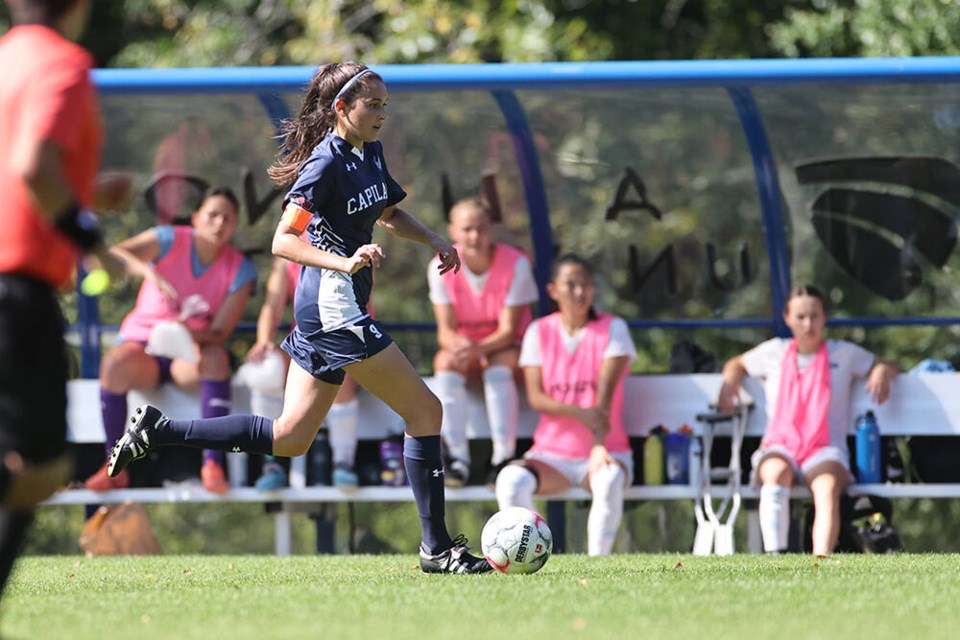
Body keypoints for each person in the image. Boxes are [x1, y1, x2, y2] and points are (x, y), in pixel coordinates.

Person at [106, 62, 492, 573]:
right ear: (341, 108)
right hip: (334, 306)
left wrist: (434, 238)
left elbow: (388, 212)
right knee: (426, 412)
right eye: (371, 105)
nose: (381, 114)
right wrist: (344, 260)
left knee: (290, 437)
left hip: (326, 307)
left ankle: (158, 430)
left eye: (384, 105)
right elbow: (282, 239)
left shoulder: (368, 151)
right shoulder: (325, 163)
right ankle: (436, 549)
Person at [0, 0, 126, 600]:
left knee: (26, 467)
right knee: (46, 467)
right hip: (15, 289)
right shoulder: (63, 64)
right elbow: (30, 166)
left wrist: (85, 193)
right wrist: (89, 239)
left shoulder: (6, 61)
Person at [83, 187, 257, 493]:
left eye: (228, 218)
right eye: (212, 215)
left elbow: (219, 333)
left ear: (235, 225)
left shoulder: (240, 269)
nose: (219, 223)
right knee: (114, 363)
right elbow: (112, 255)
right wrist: (148, 274)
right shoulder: (168, 238)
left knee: (217, 358)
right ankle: (113, 465)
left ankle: (212, 463)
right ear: (196, 218)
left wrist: (185, 333)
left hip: (187, 359)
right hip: (143, 352)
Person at [716, 284, 898, 556]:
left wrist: (882, 370)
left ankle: (820, 561)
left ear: (824, 317)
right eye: (800, 317)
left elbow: (884, 363)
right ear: (787, 318)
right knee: (775, 474)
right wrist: (730, 380)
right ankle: (776, 556)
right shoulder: (774, 352)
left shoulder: (843, 353)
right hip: (781, 444)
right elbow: (737, 364)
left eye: (815, 316)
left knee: (826, 486)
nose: (808, 324)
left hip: (824, 447)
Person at [494, 254, 637, 556]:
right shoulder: (539, 331)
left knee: (609, 478)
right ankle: (532, 554)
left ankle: (598, 563)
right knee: (510, 480)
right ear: (553, 291)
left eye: (585, 284)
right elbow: (537, 398)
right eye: (570, 285)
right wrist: (579, 413)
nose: (579, 292)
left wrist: (599, 445)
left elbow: (605, 399)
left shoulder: (614, 329)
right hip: (552, 457)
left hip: (605, 449)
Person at [429, 197, 538, 488]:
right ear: (453, 231)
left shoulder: (516, 263)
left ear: (492, 230)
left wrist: (477, 349)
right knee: (444, 362)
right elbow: (445, 332)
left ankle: (502, 458)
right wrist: (463, 347)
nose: (474, 236)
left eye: (481, 228)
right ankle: (457, 460)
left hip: (505, 351)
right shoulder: (438, 266)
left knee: (498, 366)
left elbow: (509, 331)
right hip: (469, 352)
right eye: (467, 229)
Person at [239, 252, 362, 490]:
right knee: (268, 367)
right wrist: (263, 341)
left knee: (342, 373)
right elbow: (272, 305)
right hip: (305, 345)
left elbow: (364, 303)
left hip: (345, 340)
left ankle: (343, 464)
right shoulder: (289, 251)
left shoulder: (353, 244)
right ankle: (271, 463)